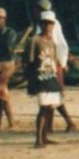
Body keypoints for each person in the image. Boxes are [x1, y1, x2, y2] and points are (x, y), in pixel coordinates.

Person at [31, 0, 76, 132]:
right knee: (51, 96)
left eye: (36, 9)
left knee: (51, 95)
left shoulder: (52, 24)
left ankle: (66, 123)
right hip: (46, 63)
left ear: (40, 10)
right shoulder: (42, 24)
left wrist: (61, 63)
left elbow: (61, 45)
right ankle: (50, 126)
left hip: (52, 64)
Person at [26, 11, 64, 148]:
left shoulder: (52, 42)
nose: (47, 25)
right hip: (40, 77)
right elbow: (28, 63)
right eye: (45, 23)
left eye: (50, 23)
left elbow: (55, 62)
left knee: (49, 108)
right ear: (41, 25)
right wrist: (31, 82)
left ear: (54, 25)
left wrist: (59, 81)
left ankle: (44, 136)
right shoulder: (34, 40)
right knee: (43, 109)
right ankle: (38, 139)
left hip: (51, 77)